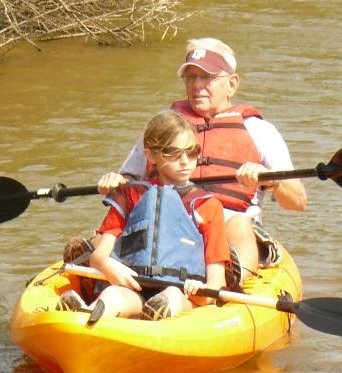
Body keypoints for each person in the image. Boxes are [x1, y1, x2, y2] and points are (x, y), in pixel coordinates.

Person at [96, 37, 307, 282]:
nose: (197, 85)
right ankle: (93, 268)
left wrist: (271, 181)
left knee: (240, 224)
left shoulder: (259, 131)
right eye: (191, 77)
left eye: (207, 77)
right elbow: (129, 182)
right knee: (113, 227)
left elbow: (298, 201)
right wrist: (115, 181)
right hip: (165, 215)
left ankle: (229, 281)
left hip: (228, 224)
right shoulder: (166, 124)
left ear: (232, 84)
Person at [84, 111, 230, 322]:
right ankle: (86, 315)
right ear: (151, 156)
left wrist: (202, 289)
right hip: (134, 288)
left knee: (170, 296)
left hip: (183, 293)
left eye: (191, 152)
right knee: (113, 295)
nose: (185, 162)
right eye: (173, 153)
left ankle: (158, 317)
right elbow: (98, 256)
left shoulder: (208, 205)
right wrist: (107, 265)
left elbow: (217, 281)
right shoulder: (131, 195)